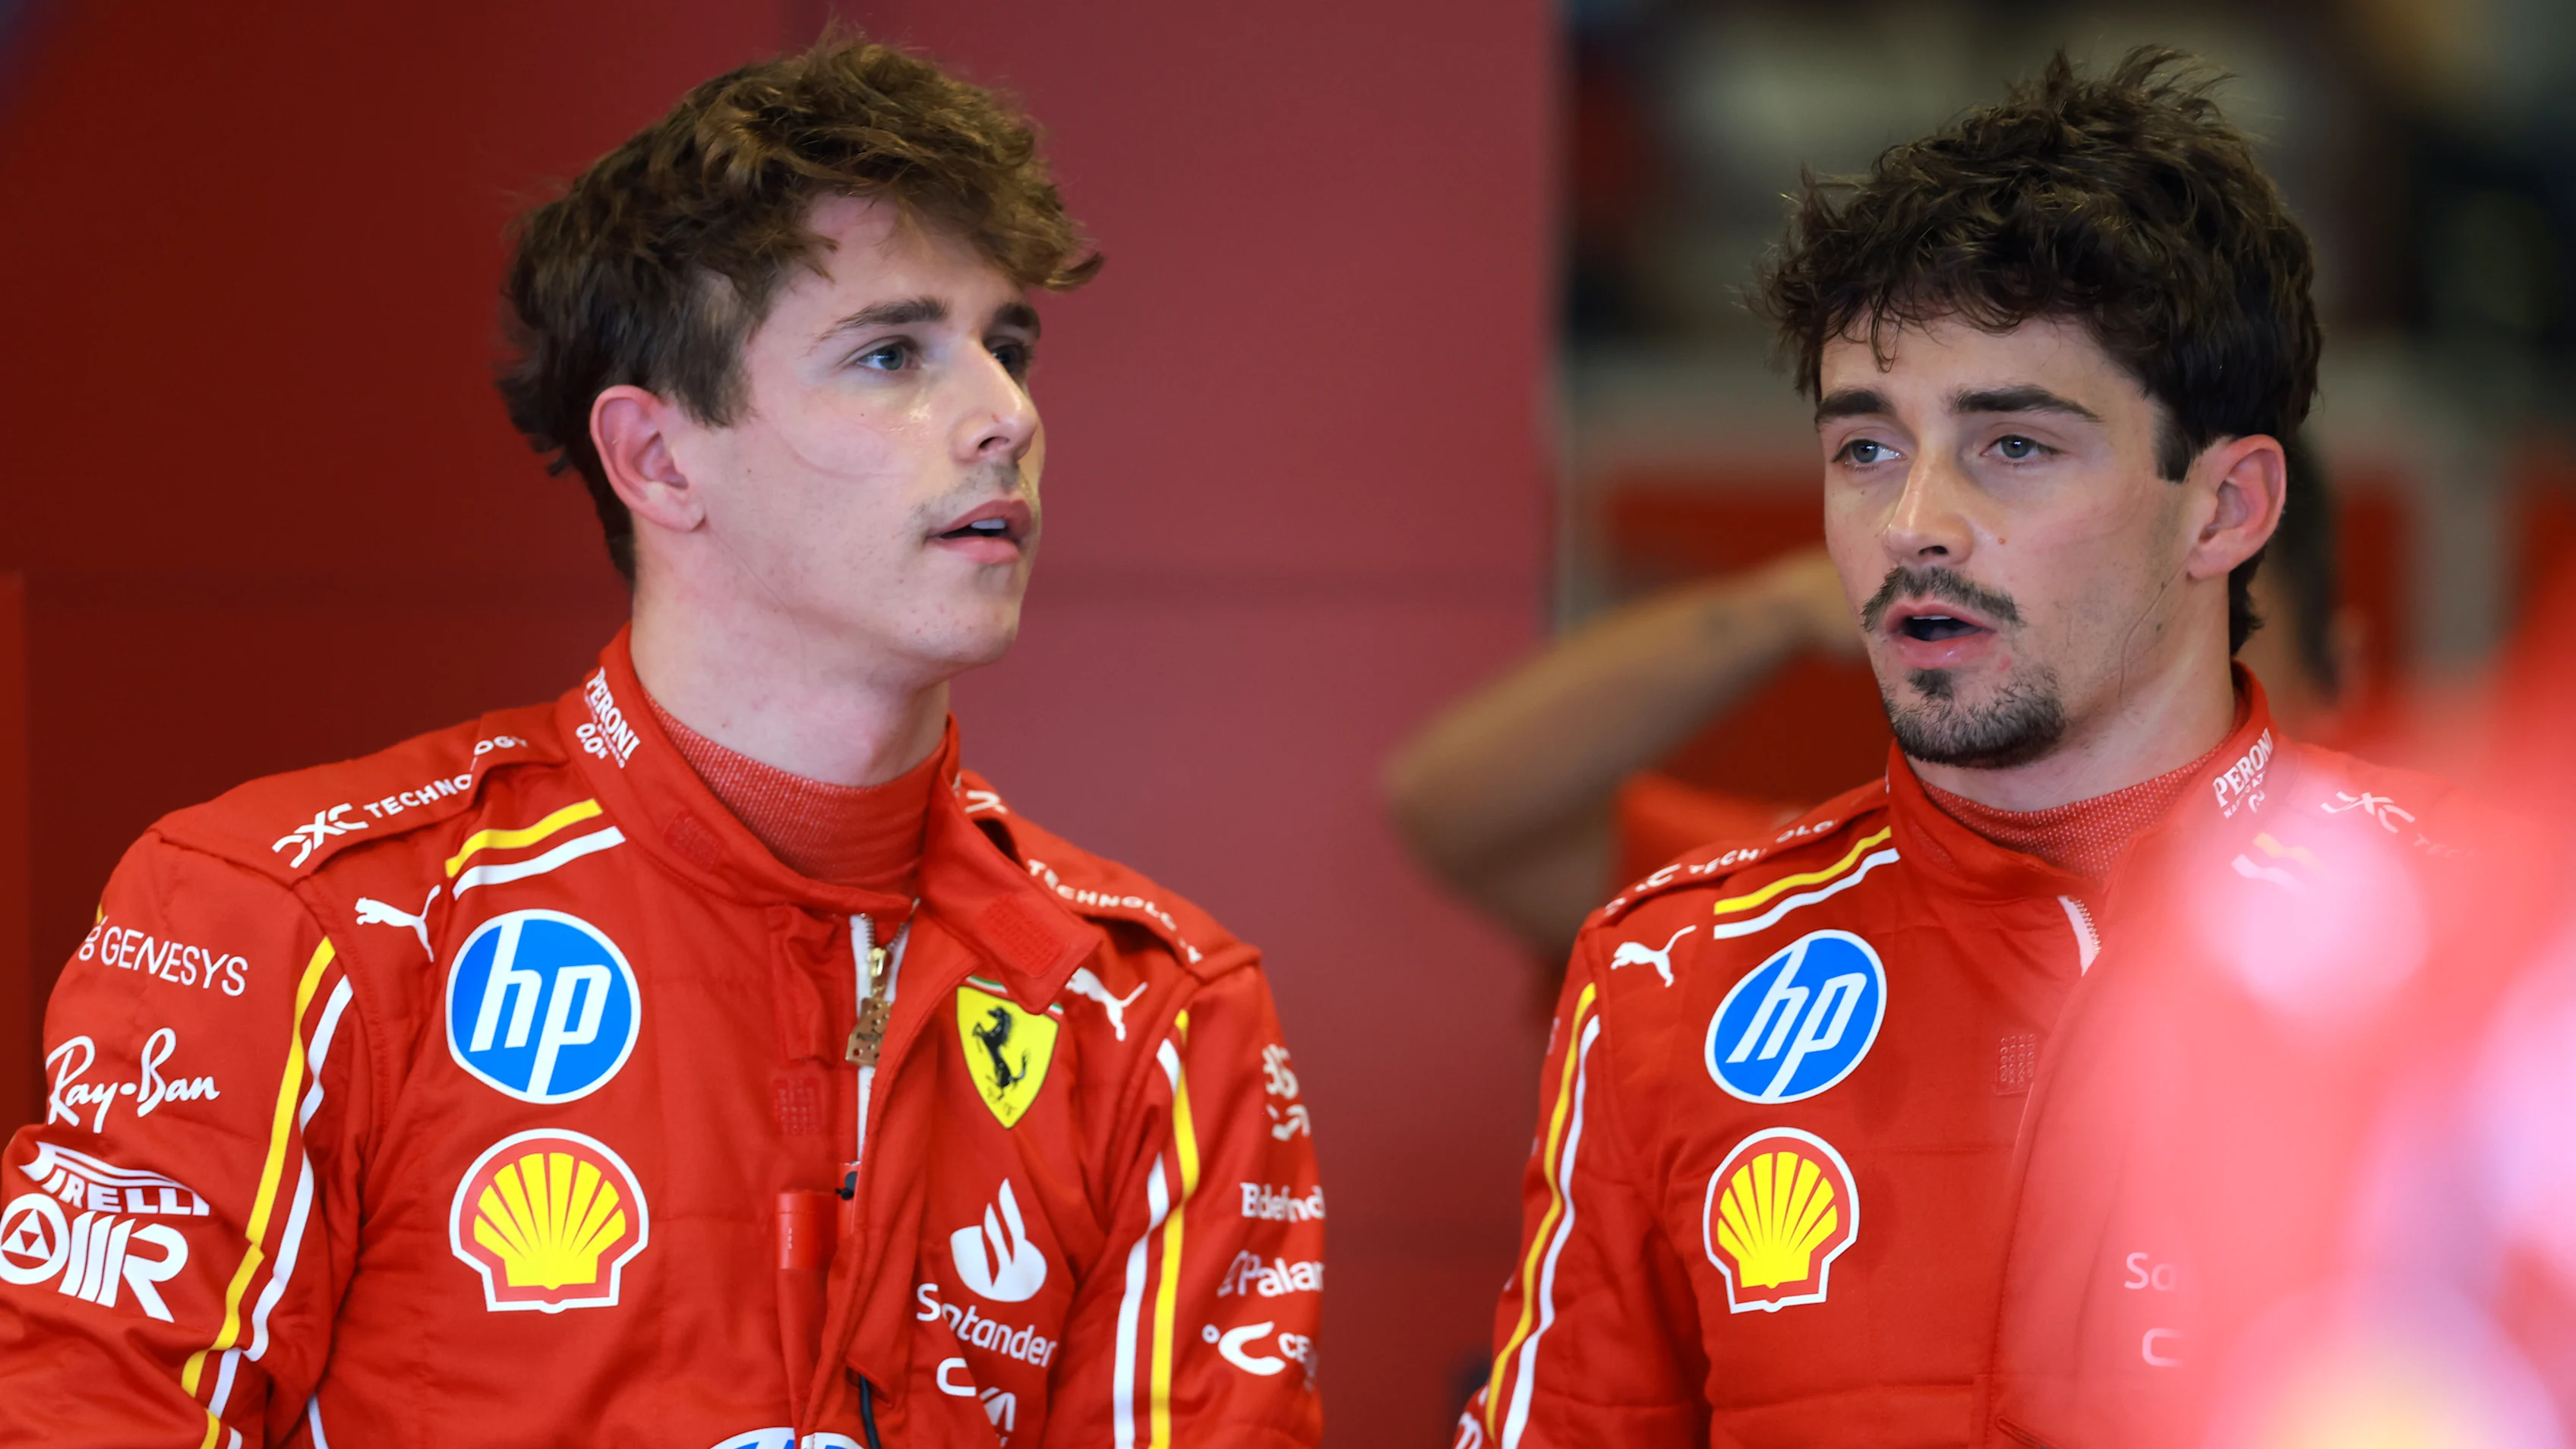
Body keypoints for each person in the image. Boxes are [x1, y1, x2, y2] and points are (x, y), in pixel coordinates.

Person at [0, 37, 1322, 1449]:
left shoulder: (1158, 1019)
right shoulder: (297, 918)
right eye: (891, 354)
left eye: (1006, 347)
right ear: (656, 459)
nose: (1006, 418)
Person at [1456, 49, 2484, 1448]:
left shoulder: (2495, 953)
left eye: (2011, 445)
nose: (1913, 524)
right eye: (1865, 450)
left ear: (2225, 507)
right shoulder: (1669, 977)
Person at [1386, 442, 2361, 963]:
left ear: (2340, 675)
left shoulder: (2430, 946)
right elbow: (1454, 807)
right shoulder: (1809, 917)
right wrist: (1776, 609)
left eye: (2188, 637)